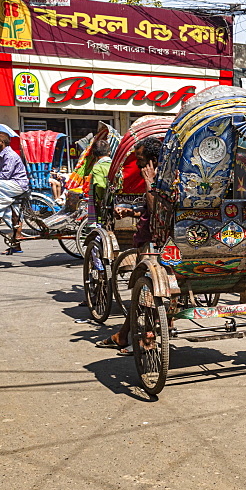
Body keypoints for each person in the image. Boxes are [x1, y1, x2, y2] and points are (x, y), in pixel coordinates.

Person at [96, 137, 162, 355]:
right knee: (142, 294)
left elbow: (155, 213)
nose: (140, 166)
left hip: (155, 243)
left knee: (147, 293)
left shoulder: (160, 178)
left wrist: (149, 181)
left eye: (142, 160)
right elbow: (148, 210)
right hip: (149, 239)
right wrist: (132, 212)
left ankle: (146, 340)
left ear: (153, 160)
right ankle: (122, 335)